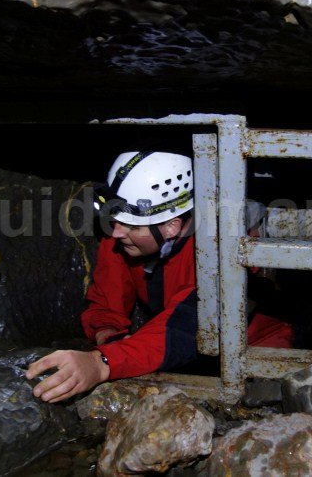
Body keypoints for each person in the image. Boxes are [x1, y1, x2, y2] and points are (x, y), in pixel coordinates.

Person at [26, 151, 292, 402]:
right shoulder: (125, 237)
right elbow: (107, 301)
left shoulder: (223, 252)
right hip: (179, 349)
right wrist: (108, 336)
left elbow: (186, 328)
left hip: (257, 351)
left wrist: (100, 362)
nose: (115, 232)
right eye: (112, 219)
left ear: (172, 225)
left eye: (129, 224)